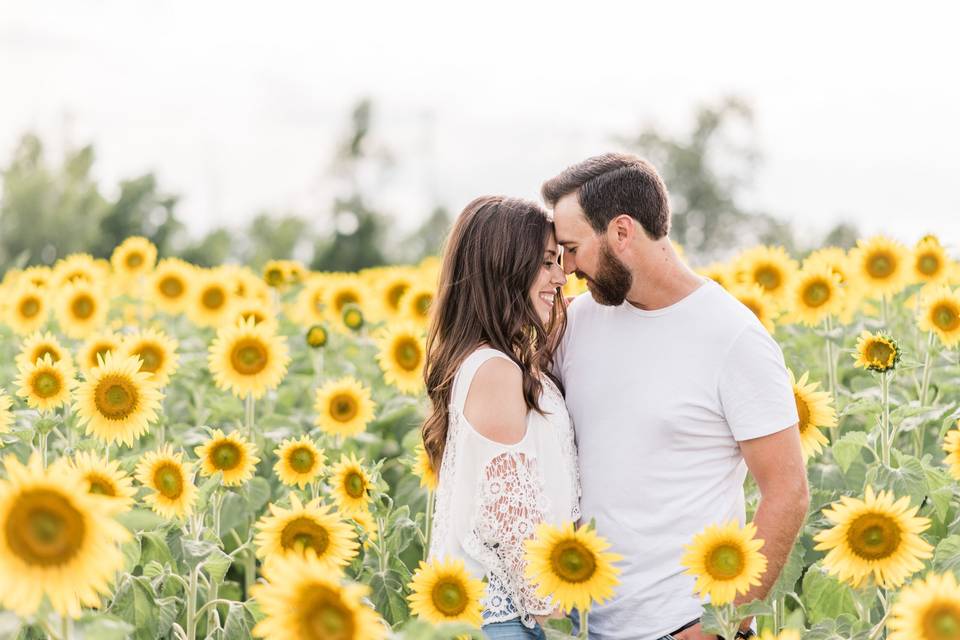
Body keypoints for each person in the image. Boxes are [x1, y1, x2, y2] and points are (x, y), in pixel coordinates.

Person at [543, 153, 809, 640]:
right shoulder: (577, 323)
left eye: (573, 248)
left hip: (682, 626)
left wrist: (723, 625)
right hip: (582, 625)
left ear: (622, 232)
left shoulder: (733, 338)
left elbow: (787, 490)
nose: (568, 267)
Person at [423, 195, 580, 639]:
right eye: (547, 262)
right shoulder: (494, 371)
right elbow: (513, 522)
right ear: (505, 268)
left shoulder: (498, 362)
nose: (561, 276)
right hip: (510, 620)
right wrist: (560, 627)